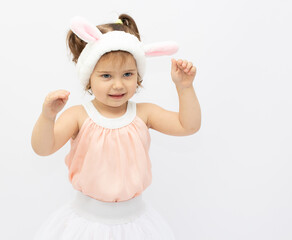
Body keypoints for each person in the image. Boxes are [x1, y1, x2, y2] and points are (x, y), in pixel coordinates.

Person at [31, 13, 201, 240]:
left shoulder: (144, 113)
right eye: (106, 76)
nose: (118, 84)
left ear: (138, 75)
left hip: (135, 224)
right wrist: (47, 116)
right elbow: (43, 148)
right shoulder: (79, 116)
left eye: (128, 74)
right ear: (89, 76)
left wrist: (185, 87)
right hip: (87, 224)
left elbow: (187, 126)